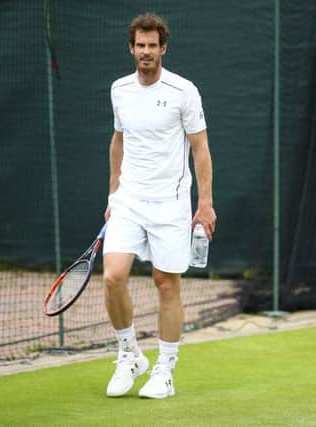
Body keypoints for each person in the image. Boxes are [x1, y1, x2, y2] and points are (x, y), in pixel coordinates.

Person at [103, 12, 216, 399]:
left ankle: (164, 370)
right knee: (113, 276)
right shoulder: (120, 89)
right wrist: (112, 195)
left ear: (163, 48)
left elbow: (200, 149)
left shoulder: (184, 91)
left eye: (153, 46)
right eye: (140, 45)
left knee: (166, 285)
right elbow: (118, 142)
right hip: (129, 201)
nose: (146, 52)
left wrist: (206, 205)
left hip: (171, 204)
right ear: (131, 48)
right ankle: (129, 353)